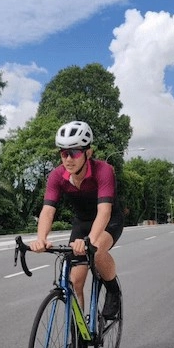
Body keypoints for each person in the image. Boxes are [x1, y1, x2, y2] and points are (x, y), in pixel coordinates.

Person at [29, 121, 123, 320]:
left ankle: (113, 290)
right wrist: (41, 238)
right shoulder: (56, 176)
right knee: (75, 281)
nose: (68, 159)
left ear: (88, 153)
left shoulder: (103, 170)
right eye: (64, 153)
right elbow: (47, 210)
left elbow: (104, 211)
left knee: (96, 252)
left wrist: (90, 241)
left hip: (108, 221)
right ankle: (78, 332)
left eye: (75, 153)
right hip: (81, 223)